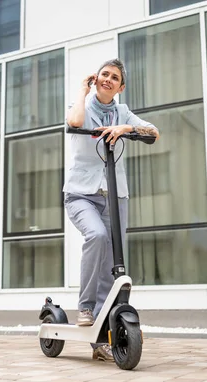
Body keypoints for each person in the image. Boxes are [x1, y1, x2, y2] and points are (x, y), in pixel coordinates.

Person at [63, 58, 159, 361]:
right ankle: (86, 306)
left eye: (114, 77)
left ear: (121, 86)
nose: (108, 79)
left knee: (114, 263)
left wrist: (126, 126)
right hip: (81, 194)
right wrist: (82, 90)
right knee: (98, 237)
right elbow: (75, 123)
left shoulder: (122, 111)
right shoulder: (82, 104)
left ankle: (102, 339)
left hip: (116, 196)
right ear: (97, 79)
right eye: (104, 74)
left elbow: (154, 133)